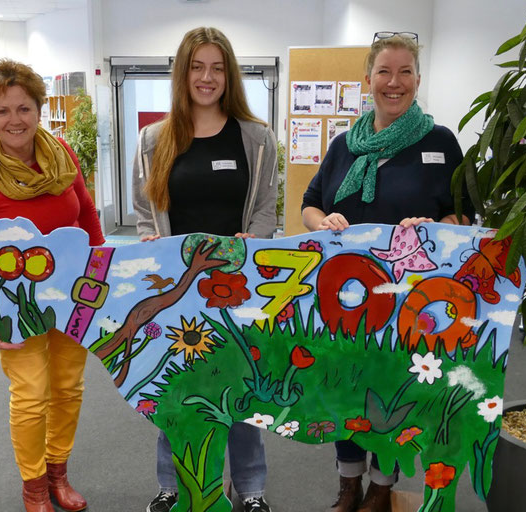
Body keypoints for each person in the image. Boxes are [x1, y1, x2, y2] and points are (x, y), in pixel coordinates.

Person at [302, 33, 474, 512]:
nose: (393, 83)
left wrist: (436, 226)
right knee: (347, 388)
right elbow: (309, 206)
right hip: (345, 297)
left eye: (404, 72)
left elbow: (465, 215)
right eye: (384, 72)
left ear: (418, 80)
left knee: (395, 390)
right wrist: (326, 221)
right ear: (368, 79)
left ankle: (382, 483)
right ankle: (348, 482)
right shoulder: (344, 146)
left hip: (409, 301)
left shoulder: (440, 143)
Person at [131, 27, 277, 512]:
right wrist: (153, 243)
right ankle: (173, 486)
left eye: (217, 68)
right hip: (177, 289)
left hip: (239, 285)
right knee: (176, 391)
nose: (207, 77)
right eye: (197, 67)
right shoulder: (155, 139)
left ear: (229, 74)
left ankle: (251, 489)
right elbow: (144, 209)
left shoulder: (255, 137)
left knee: (244, 389)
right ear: (183, 73)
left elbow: (265, 208)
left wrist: (252, 244)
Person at [0, 58, 104, 512]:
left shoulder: (63, 156)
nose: (14, 120)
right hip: (13, 305)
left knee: (67, 387)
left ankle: (58, 472)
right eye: (2, 111)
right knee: (31, 394)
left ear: (39, 109)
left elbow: (89, 220)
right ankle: (34, 485)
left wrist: (101, 276)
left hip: (72, 294)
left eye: (23, 108)